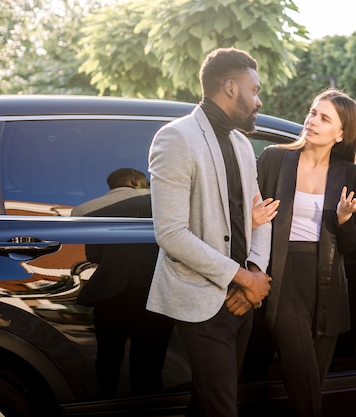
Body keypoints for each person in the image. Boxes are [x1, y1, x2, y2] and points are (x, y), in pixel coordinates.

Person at [146, 47, 272, 417]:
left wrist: (256, 275)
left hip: (242, 299)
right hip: (200, 300)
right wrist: (243, 279)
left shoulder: (243, 144)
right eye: (254, 90)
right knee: (220, 408)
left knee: (207, 404)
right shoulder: (176, 138)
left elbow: (259, 215)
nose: (259, 100)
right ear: (231, 87)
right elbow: (170, 234)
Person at [256, 88, 356, 417]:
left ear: (341, 133)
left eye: (324, 118)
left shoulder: (351, 174)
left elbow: (348, 245)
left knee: (308, 386)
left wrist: (341, 219)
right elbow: (252, 221)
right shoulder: (274, 158)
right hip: (283, 276)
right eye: (311, 113)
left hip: (328, 285)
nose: (312, 121)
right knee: (304, 384)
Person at [73, 168, 174, 398]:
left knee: (108, 356)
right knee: (149, 360)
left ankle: (106, 400)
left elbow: (94, 255)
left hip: (110, 295)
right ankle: (147, 406)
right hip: (155, 292)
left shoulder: (85, 209)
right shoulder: (162, 201)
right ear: (134, 181)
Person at [71, 167, 150, 216]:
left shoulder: (80, 211)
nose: (148, 186)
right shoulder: (153, 198)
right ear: (135, 181)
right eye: (147, 183)